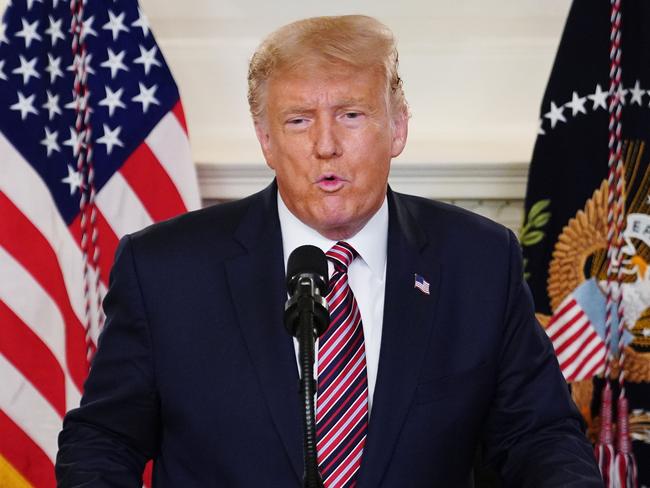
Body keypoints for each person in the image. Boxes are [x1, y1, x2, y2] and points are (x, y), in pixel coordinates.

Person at [56, 15, 604, 487]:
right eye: (298, 120)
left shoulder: (479, 262)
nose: (325, 145)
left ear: (398, 127)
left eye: (351, 114)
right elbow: (103, 441)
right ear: (266, 140)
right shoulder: (166, 272)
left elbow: (539, 436)